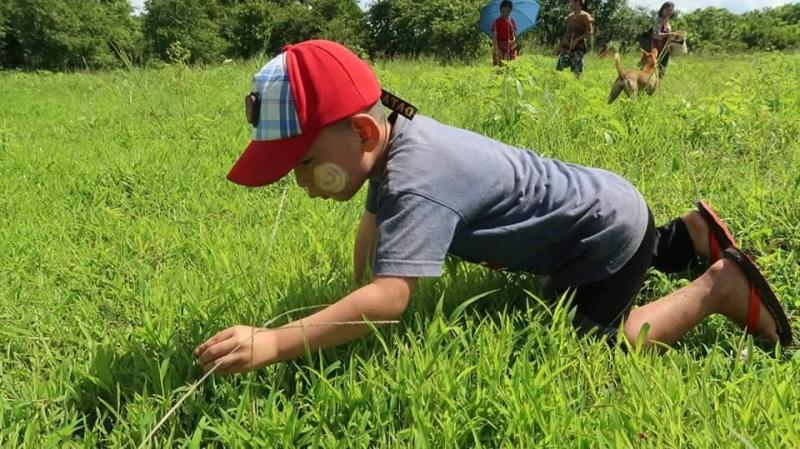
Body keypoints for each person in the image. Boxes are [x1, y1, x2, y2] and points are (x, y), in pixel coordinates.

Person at [194, 40, 792, 374]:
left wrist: (275, 342)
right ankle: (681, 239)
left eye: (302, 163)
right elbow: (371, 232)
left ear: (363, 135)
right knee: (573, 268)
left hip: (600, 235)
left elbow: (391, 300)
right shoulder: (399, 141)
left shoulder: (416, 181)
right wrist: (349, 298)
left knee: (595, 351)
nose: (299, 183)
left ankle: (719, 286)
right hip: (601, 205)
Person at [556, 0, 594, 77]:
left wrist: (577, 40)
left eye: (570, 2)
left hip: (578, 47)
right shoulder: (570, 16)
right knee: (559, 71)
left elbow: (590, 31)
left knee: (577, 73)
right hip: (566, 47)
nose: (569, 4)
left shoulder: (585, 16)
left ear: (577, 2)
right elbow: (567, 33)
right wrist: (560, 47)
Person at [652, 2, 677, 77]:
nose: (668, 12)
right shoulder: (660, 20)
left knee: (662, 69)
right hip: (657, 48)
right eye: (666, 10)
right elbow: (656, 34)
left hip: (665, 49)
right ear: (662, 10)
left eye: (671, 10)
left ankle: (657, 86)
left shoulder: (668, 22)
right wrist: (669, 34)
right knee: (651, 68)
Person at [492, 0, 517, 66]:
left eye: (507, 12)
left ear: (510, 11)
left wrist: (513, 42)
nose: (505, 13)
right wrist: (497, 49)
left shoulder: (512, 22)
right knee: (499, 65)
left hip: (510, 46)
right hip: (500, 45)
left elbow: (514, 35)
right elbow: (494, 37)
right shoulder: (497, 22)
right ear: (500, 11)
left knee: (510, 66)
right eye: (503, 11)